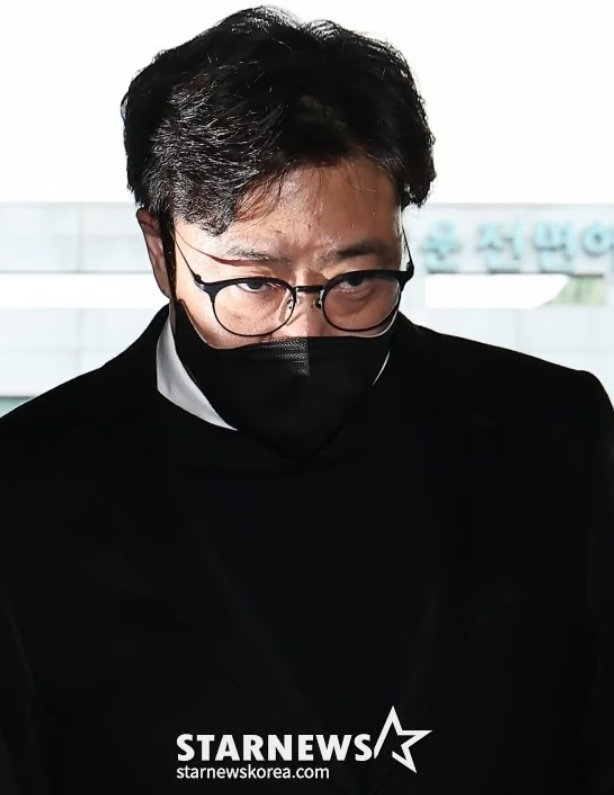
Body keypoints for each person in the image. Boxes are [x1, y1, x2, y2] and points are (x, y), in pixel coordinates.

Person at [0, 5, 612, 794]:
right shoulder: (25, 487)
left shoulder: (556, 436)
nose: (307, 328)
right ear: (160, 247)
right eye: (254, 283)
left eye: (356, 280)